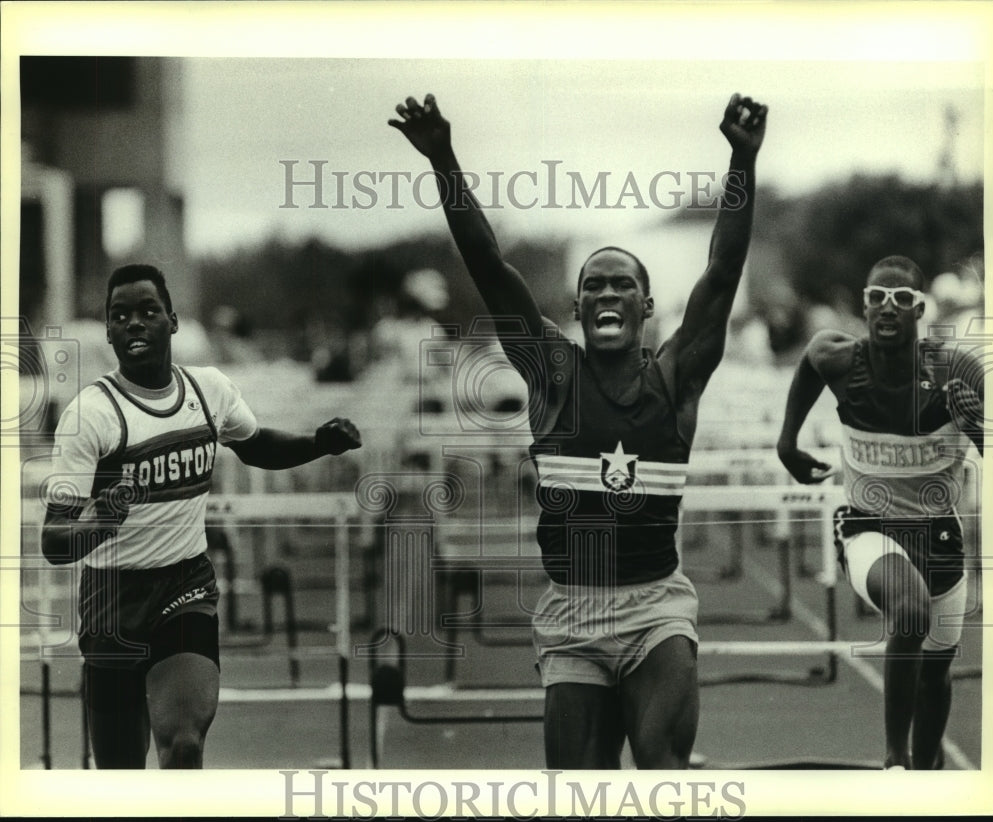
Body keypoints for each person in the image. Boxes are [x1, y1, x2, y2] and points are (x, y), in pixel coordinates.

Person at [390, 92, 767, 768]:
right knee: (578, 790)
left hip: (656, 610)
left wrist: (742, 160)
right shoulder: (551, 376)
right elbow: (489, 268)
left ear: (647, 306)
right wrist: (443, 157)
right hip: (572, 615)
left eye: (622, 285)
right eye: (593, 287)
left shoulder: (677, 377)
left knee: (660, 766)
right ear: (576, 306)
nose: (606, 295)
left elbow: (723, 271)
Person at [40, 264, 362, 768]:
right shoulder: (90, 416)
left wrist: (318, 443)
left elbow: (255, 446)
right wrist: (100, 523)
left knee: (184, 743)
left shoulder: (208, 390)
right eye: (120, 315)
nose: (134, 324)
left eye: (148, 311)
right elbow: (53, 541)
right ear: (107, 331)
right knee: (119, 775)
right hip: (112, 599)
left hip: (184, 585)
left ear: (173, 321)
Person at [777, 255, 983, 770]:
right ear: (865, 307)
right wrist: (788, 444)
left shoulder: (955, 371)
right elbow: (810, 358)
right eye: (876, 298)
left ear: (920, 311)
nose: (887, 308)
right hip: (867, 525)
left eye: (901, 300)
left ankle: (927, 765)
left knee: (937, 671)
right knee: (909, 612)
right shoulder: (841, 359)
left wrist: (979, 426)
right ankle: (895, 759)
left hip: (938, 533)